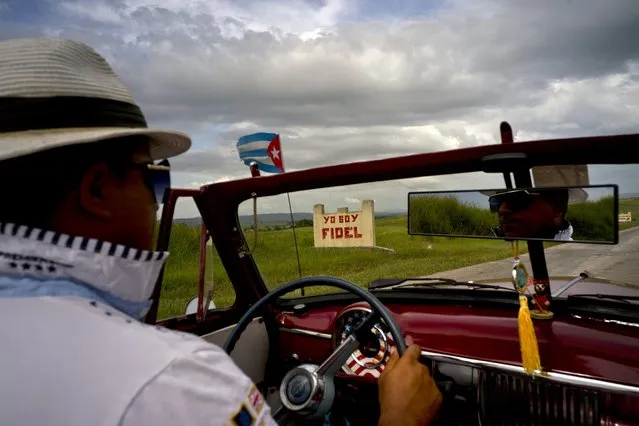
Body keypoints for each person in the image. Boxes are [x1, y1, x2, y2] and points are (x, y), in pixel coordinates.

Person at [0, 37, 442, 425]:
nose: (156, 202)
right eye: (156, 178)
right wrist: (401, 418)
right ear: (97, 189)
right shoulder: (175, 383)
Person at [484, 188, 581, 241]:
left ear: (556, 208)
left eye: (517, 200)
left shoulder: (574, 255)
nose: (502, 210)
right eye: (497, 202)